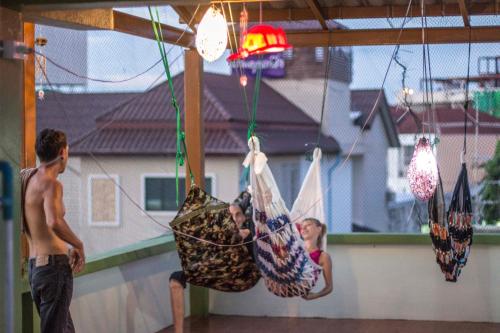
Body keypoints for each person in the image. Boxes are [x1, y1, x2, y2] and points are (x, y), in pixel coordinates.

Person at [21, 129, 85, 333]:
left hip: (36, 269)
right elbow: (54, 221)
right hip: (53, 269)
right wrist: (78, 244)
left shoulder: (29, 179)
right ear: (62, 153)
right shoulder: (52, 185)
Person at [169, 191, 254, 333]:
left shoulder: (248, 231)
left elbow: (242, 237)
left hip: (243, 274)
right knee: (175, 280)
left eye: (238, 214)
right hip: (217, 272)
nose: (234, 219)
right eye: (230, 216)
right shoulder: (221, 232)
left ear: (244, 216)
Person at [299, 218, 333, 301]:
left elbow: (329, 287)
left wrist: (315, 295)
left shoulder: (323, 257)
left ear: (319, 229)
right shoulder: (295, 249)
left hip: (301, 285)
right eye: (302, 227)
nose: (303, 228)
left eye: (308, 225)